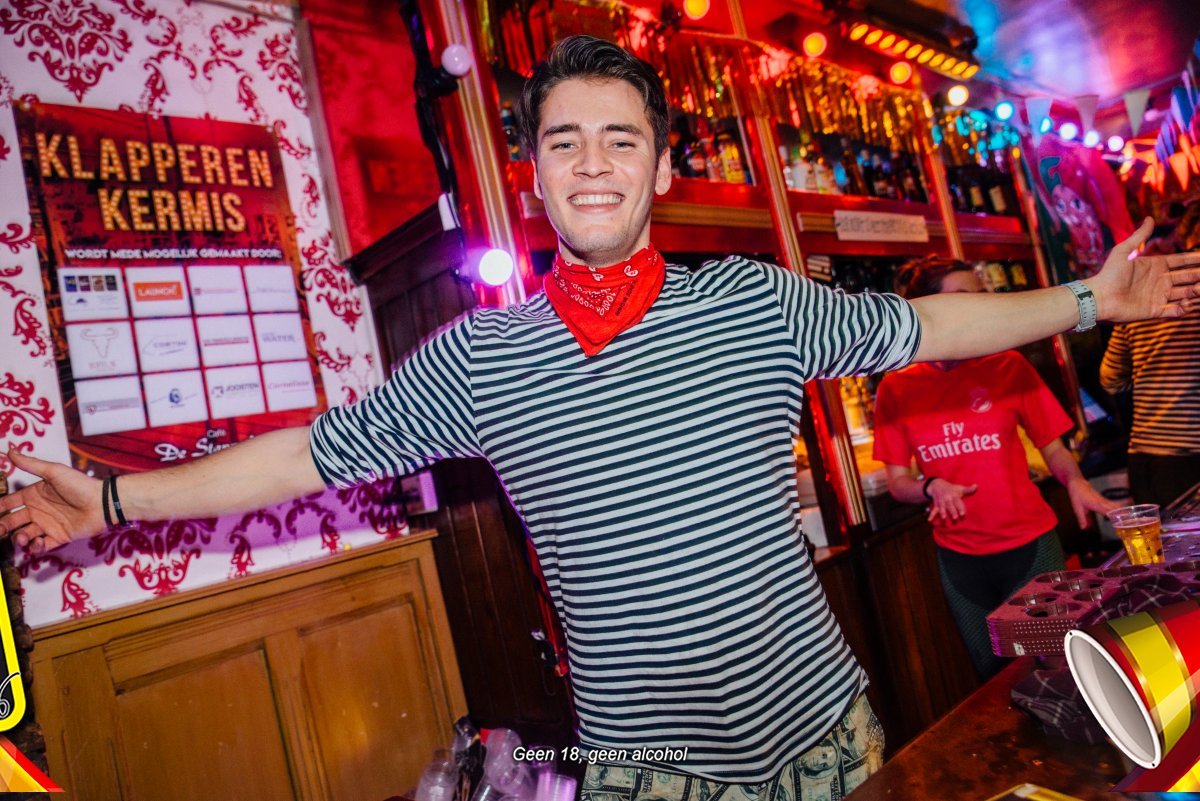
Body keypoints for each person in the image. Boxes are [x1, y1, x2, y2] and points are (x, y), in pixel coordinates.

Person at [2, 34, 1200, 799]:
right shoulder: (480, 357)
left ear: (660, 169)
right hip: (648, 770)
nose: (591, 162)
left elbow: (927, 325)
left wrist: (1092, 297)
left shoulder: (752, 300)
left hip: (827, 736)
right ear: (533, 174)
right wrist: (109, 498)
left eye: (620, 139)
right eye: (563, 141)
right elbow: (308, 455)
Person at [872, 257, 1119, 679]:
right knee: (996, 678)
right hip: (960, 561)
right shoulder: (897, 387)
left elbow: (1054, 449)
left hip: (1031, 548)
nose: (979, 307)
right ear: (928, 307)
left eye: (980, 296)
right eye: (963, 297)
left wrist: (1075, 480)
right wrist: (931, 487)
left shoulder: (1008, 366)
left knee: (1058, 667)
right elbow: (898, 482)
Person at [1100, 224, 1200, 507]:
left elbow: (1110, 379)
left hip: (1149, 458)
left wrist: (1152, 378)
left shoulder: (1145, 295)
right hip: (1188, 458)